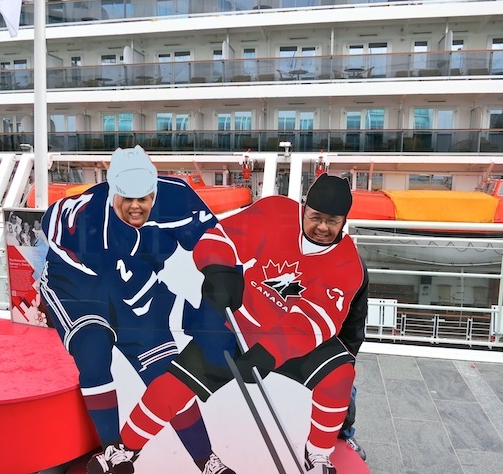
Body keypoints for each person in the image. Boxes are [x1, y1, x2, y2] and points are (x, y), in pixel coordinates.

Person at [117, 174, 369, 473]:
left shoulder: (348, 265)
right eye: (315, 217)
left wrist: (269, 351)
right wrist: (218, 269)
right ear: (304, 208)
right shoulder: (276, 213)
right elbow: (221, 237)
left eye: (333, 221)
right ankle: (124, 450)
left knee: (339, 374)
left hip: (291, 339)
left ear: (344, 221)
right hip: (241, 324)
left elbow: (315, 320)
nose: (323, 227)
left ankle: (317, 455)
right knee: (175, 383)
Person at [39, 146, 236, 474]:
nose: (135, 206)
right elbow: (125, 288)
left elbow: (212, 237)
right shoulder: (85, 218)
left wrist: (221, 283)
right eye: (125, 198)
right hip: (75, 284)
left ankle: (207, 462)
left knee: (166, 376)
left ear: (155, 190)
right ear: (112, 190)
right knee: (94, 350)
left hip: (132, 281)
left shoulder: (177, 197)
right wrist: (188, 313)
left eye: (143, 197)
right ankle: (113, 448)